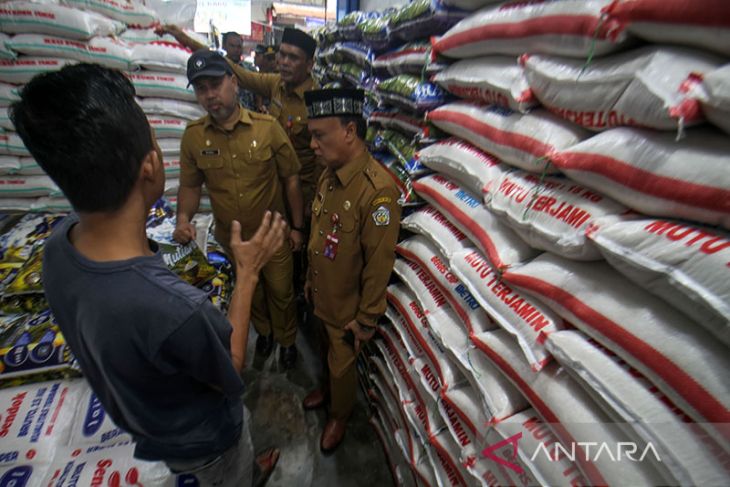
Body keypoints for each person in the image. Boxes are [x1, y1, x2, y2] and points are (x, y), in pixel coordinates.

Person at [10, 63, 284, 486]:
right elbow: (229, 369)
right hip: (206, 441)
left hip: (151, 427)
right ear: (150, 167)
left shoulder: (58, 248)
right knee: (230, 473)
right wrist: (247, 273)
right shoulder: (175, 309)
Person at [157, 25, 321, 299]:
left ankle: (297, 301)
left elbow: (321, 155)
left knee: (295, 258)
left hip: (303, 185)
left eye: (293, 57)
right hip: (270, 177)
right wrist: (183, 38)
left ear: (310, 64)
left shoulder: (315, 99)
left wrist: (311, 203)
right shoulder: (274, 85)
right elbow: (232, 70)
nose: (284, 62)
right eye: (282, 55)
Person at [175, 49, 304, 369]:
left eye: (215, 84)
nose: (209, 95)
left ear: (234, 82)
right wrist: (182, 218)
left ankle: (287, 341)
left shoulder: (267, 128)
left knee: (281, 291)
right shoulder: (193, 138)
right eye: (201, 88)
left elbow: (291, 179)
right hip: (233, 239)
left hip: (273, 236)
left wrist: (297, 227)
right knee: (252, 293)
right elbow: (190, 186)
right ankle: (264, 333)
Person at [301, 88, 401, 452]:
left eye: (319, 135)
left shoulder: (378, 193)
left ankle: (339, 414)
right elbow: (319, 235)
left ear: (349, 131)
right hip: (322, 291)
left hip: (347, 310)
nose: (313, 145)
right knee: (322, 347)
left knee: (342, 366)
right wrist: (310, 281)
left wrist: (367, 317)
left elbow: (379, 263)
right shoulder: (330, 175)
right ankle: (325, 389)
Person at [222, 31, 257, 112]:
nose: (236, 50)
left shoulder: (250, 69)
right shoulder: (218, 68)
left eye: (239, 47)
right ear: (224, 46)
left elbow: (258, 94)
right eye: (232, 46)